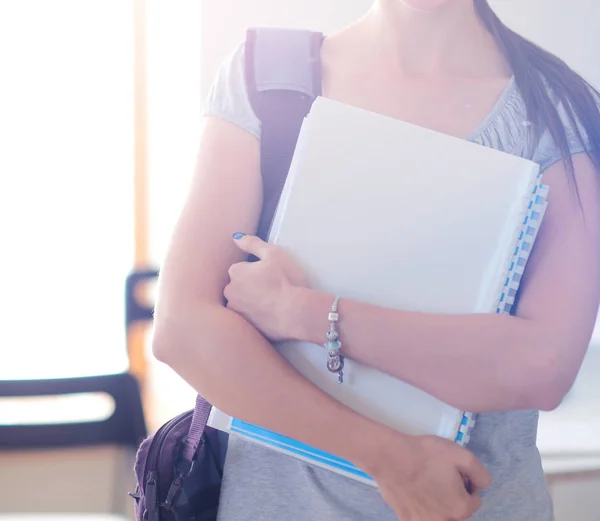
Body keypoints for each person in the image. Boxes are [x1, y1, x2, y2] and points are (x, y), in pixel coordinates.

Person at [152, 0, 600, 519]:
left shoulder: (556, 108)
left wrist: (304, 313)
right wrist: (391, 460)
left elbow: (542, 366)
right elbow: (184, 330)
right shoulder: (266, 77)